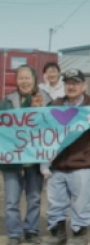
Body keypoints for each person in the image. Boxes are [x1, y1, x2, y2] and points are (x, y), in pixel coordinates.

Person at [44, 69, 90, 245]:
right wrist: (43, 161)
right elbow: (44, 134)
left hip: (83, 165)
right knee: (55, 202)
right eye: (68, 83)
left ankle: (79, 234)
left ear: (84, 85)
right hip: (57, 165)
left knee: (81, 204)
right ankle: (57, 234)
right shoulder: (55, 105)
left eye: (75, 83)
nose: (71, 86)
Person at [1, 65, 51, 245]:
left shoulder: (45, 99)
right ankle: (14, 233)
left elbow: (53, 125)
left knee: (34, 197)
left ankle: (31, 230)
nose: (24, 81)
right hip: (11, 159)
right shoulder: (8, 100)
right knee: (11, 199)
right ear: (16, 80)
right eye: (20, 78)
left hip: (36, 159)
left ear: (35, 79)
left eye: (27, 77)